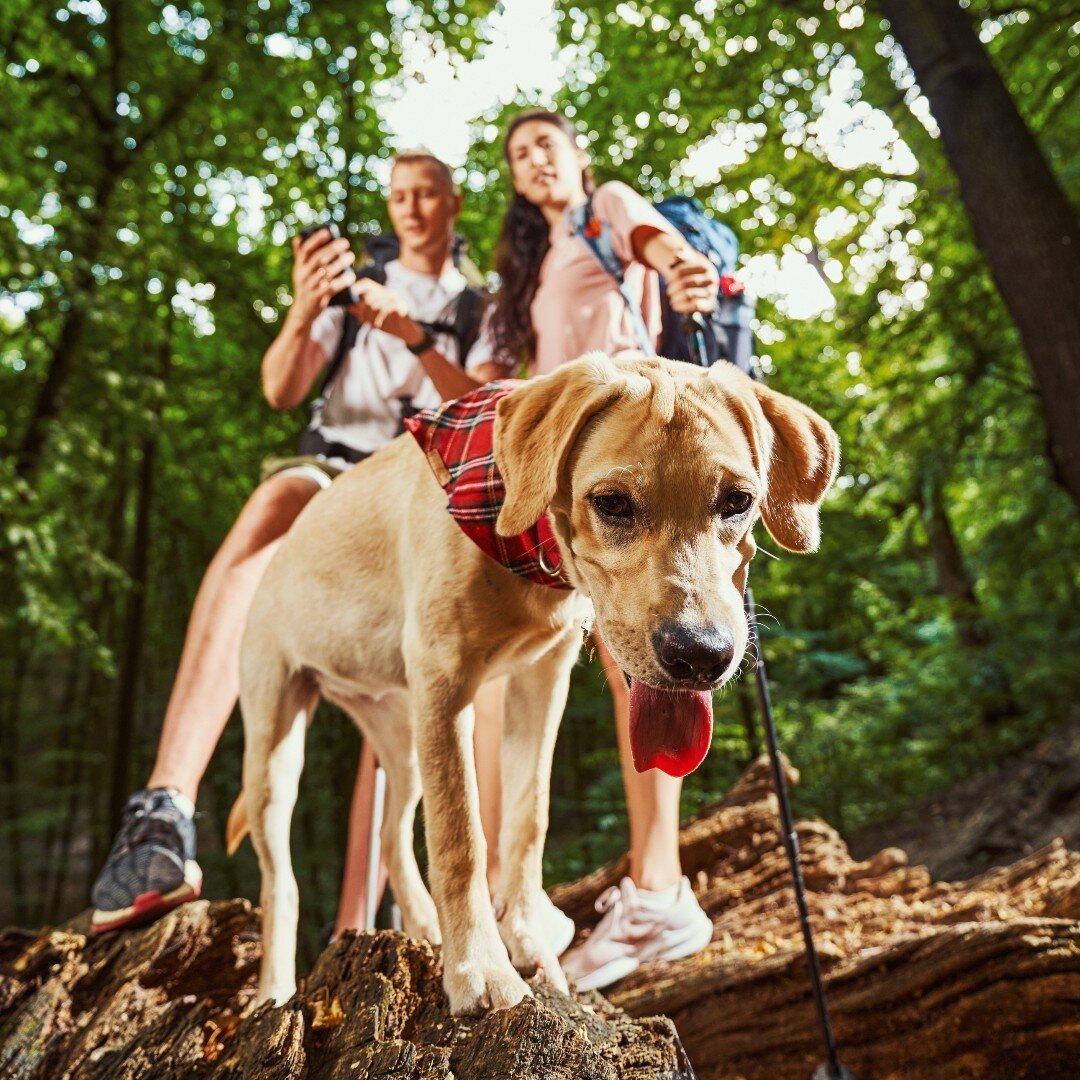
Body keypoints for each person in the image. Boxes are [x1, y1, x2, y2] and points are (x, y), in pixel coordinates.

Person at [90, 150, 508, 936]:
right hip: (336, 474)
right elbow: (281, 388)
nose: (410, 208)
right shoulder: (346, 295)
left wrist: (414, 335)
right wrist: (301, 307)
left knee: (422, 682)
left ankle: (363, 923)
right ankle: (162, 814)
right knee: (280, 497)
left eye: (426, 194)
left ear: (454, 203)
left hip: (426, 484)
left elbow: (484, 408)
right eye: (397, 196)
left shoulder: (483, 309)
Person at [481, 108, 721, 991]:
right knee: (517, 664)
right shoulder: (522, 270)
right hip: (562, 473)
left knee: (650, 650)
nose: (534, 159)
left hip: (637, 446)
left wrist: (680, 267)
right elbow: (493, 388)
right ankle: (507, 897)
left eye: (546, 143)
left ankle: (659, 896)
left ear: (578, 155)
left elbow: (651, 240)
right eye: (518, 153)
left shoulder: (607, 205)